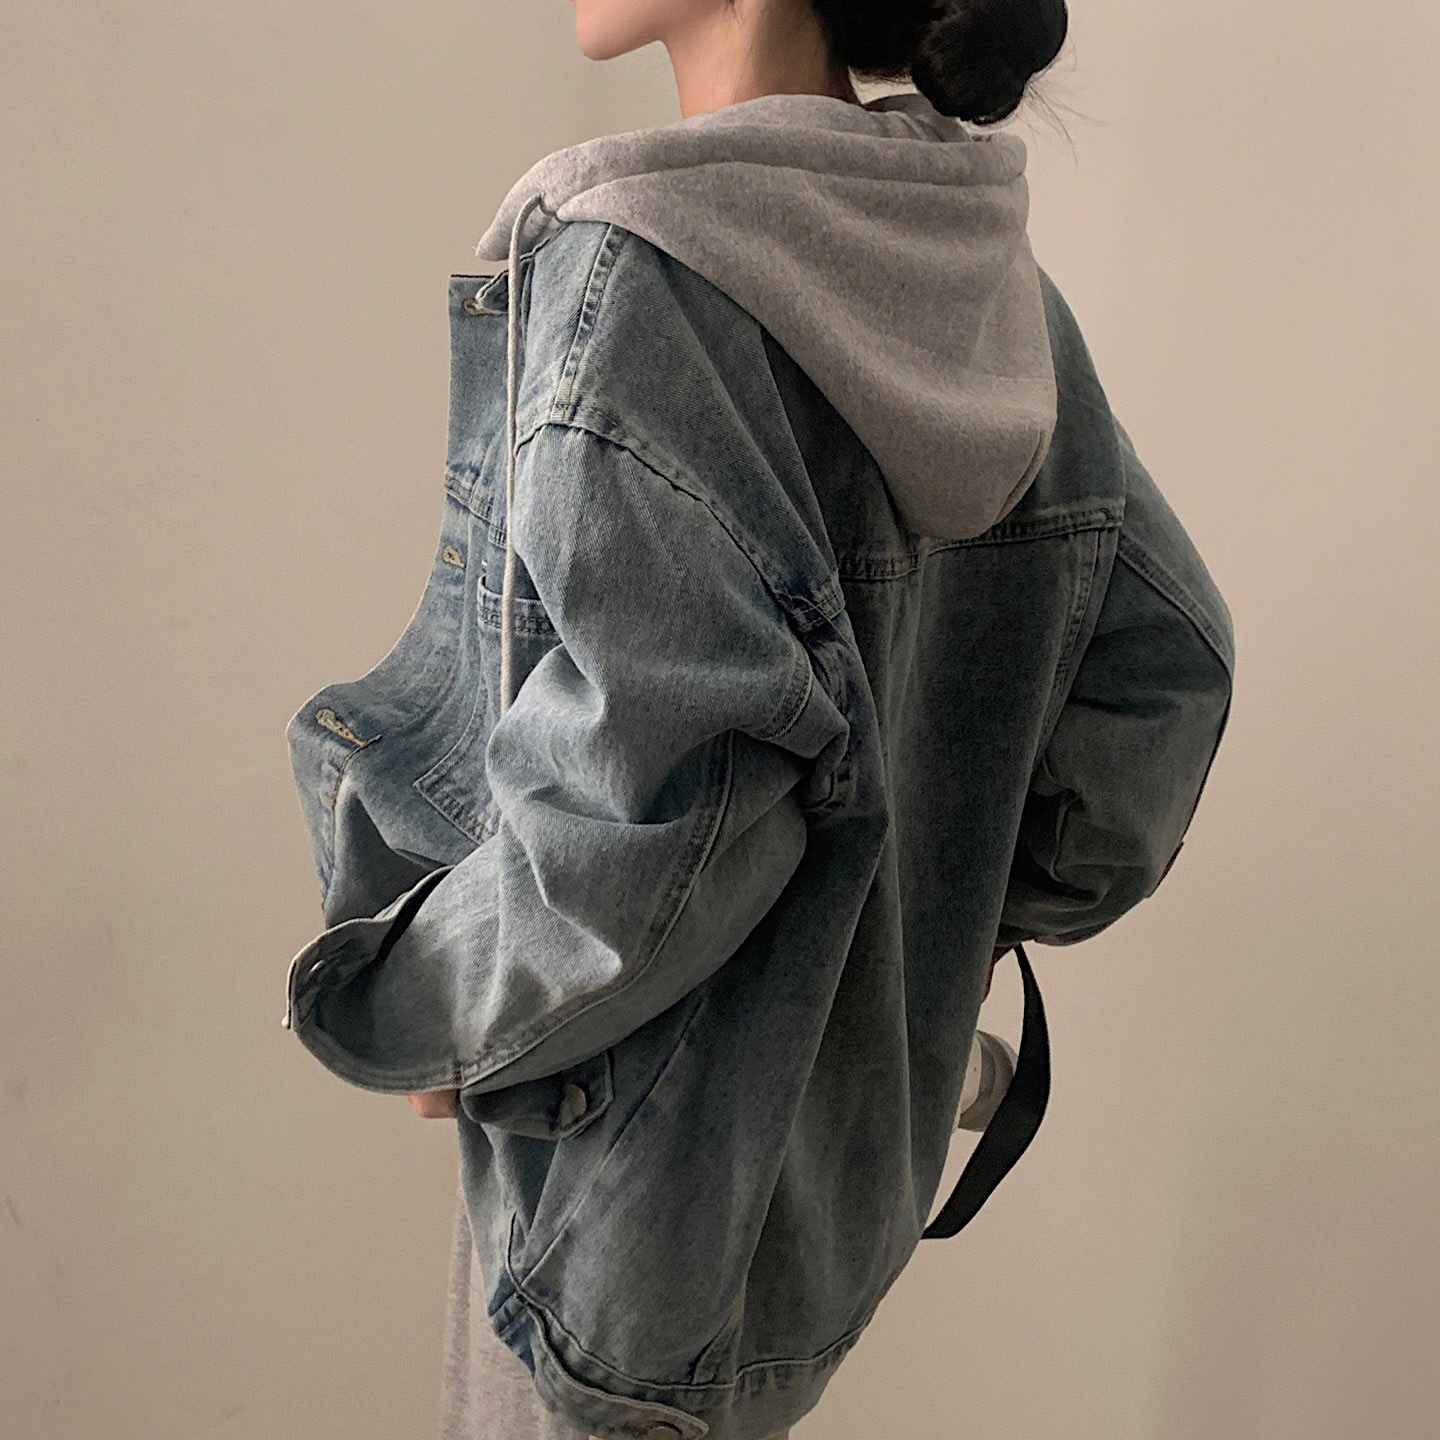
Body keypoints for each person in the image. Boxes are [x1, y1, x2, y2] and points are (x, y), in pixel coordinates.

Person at [280, 1, 1233, 1437]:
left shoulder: (645, 275)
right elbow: (1163, 670)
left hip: (618, 1211)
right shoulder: (989, 287)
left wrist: (436, 1010)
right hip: (832, 1194)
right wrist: (944, 932)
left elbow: (664, 806)